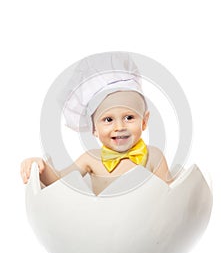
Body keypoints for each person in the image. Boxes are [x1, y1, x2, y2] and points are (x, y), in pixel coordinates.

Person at [20, 52, 173, 195]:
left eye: (129, 117)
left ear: (144, 121)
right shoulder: (91, 159)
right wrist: (39, 168)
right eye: (108, 120)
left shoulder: (153, 156)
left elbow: (172, 196)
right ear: (94, 128)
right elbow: (59, 182)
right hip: (103, 223)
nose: (119, 127)